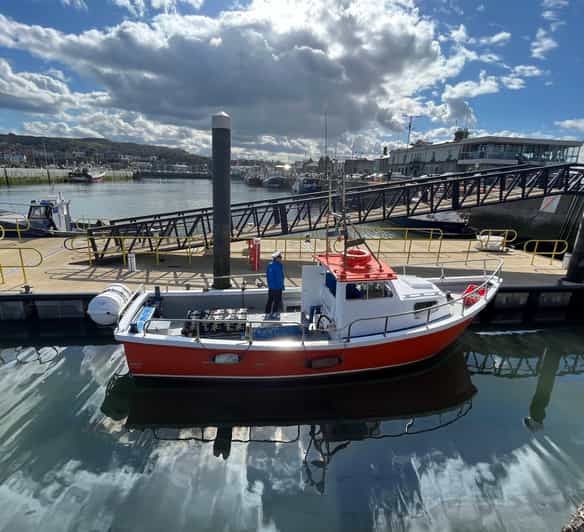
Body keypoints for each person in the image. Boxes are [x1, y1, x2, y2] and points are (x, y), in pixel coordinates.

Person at [265, 250, 285, 318]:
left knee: (274, 300)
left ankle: (271, 313)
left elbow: (281, 276)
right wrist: (277, 286)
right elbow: (273, 278)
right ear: (276, 258)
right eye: (280, 257)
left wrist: (282, 285)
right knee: (273, 300)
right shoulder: (273, 266)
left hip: (276, 287)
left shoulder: (278, 265)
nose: (281, 258)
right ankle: (270, 313)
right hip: (275, 287)